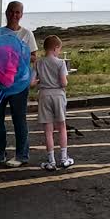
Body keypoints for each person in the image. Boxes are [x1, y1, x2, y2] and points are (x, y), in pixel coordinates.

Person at [0, 0, 38, 167]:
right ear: (6, 12)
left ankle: (22, 155)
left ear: (21, 14)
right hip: (0, 83)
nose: (14, 15)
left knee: (19, 119)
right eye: (11, 11)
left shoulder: (27, 34)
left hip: (19, 84)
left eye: (18, 12)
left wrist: (19, 55)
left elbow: (35, 56)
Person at [36, 35, 74, 170]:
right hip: (58, 94)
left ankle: (51, 161)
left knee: (48, 130)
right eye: (59, 49)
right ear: (55, 48)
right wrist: (65, 82)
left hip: (44, 95)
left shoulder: (39, 63)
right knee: (62, 126)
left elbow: (34, 81)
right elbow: (64, 82)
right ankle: (64, 158)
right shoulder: (60, 63)